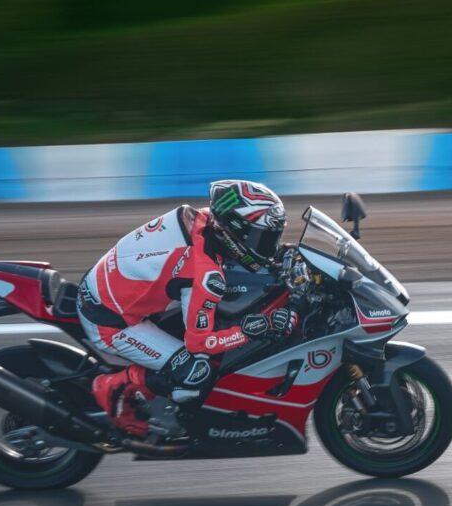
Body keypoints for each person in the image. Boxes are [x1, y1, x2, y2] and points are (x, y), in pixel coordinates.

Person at [76, 179, 299, 436]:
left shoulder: (204, 220)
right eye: (263, 239)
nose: (268, 247)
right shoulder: (203, 273)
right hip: (110, 320)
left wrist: (279, 256)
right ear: (236, 232)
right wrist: (252, 329)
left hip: (111, 288)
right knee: (195, 373)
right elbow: (200, 343)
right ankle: (114, 388)